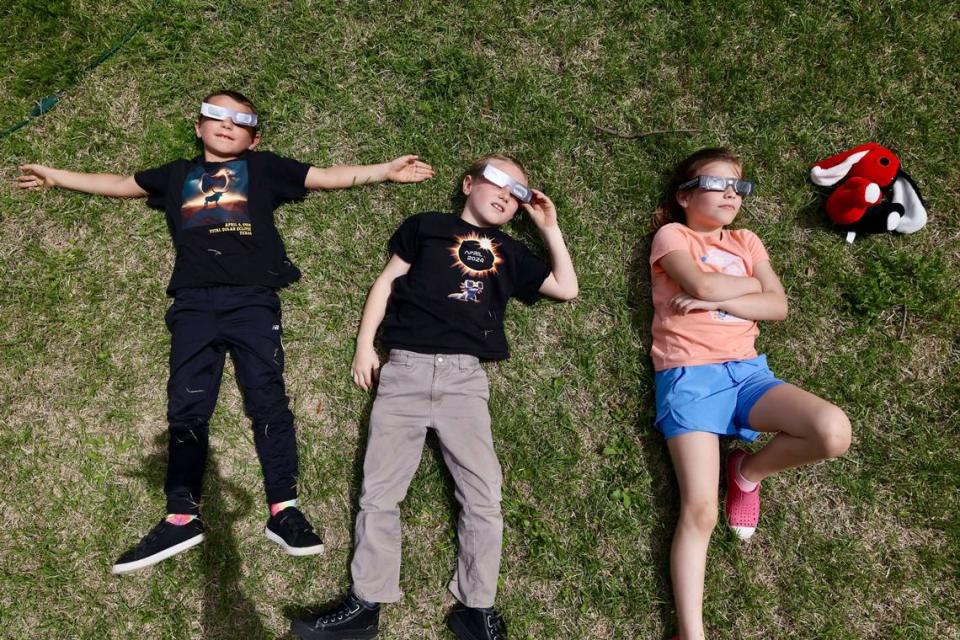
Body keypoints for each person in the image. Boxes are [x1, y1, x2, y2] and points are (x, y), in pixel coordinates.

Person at [17, 90, 434, 574]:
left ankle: (285, 510)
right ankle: (180, 517)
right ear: (199, 126)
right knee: (187, 405)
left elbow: (322, 177)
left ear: (253, 137)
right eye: (216, 114)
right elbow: (116, 183)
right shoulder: (175, 175)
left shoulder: (263, 168)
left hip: (252, 300)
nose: (227, 124)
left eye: (241, 120)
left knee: (266, 398)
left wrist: (384, 170)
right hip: (193, 303)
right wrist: (56, 177)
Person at [290, 154, 578, 640]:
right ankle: (366, 603)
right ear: (468, 184)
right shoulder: (426, 227)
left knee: (483, 495)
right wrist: (365, 346)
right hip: (403, 369)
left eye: (519, 192)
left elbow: (567, 288)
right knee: (379, 493)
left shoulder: (510, 251)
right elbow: (385, 283)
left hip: (466, 382)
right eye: (498, 181)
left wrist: (548, 228)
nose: (507, 194)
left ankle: (476, 606)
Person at [648, 148, 852, 640]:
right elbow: (700, 279)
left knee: (832, 432)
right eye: (716, 184)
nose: (729, 195)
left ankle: (747, 472)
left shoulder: (747, 239)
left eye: (738, 187)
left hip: (748, 376)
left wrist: (710, 296)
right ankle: (689, 633)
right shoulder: (672, 235)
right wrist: (737, 291)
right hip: (689, 377)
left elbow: (779, 306)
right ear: (685, 195)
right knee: (699, 510)